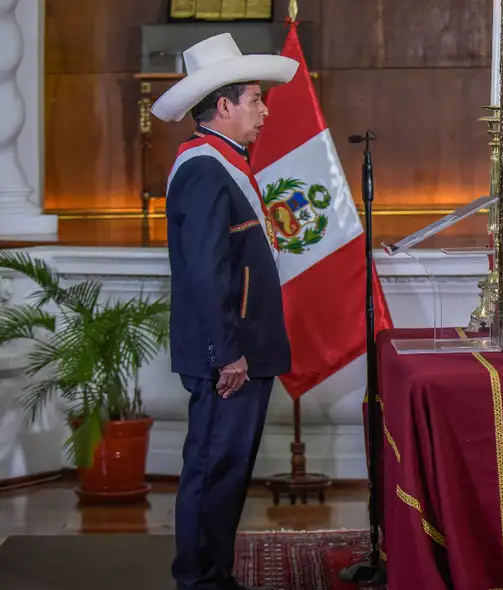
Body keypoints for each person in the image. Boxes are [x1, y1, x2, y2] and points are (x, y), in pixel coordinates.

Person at [150, 33, 298, 590]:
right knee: (213, 471)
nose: (263, 110)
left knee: (228, 473)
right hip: (228, 355)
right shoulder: (204, 171)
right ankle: (200, 581)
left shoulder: (223, 163)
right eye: (256, 99)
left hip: (242, 347)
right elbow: (204, 271)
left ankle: (213, 576)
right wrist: (227, 352)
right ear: (225, 105)